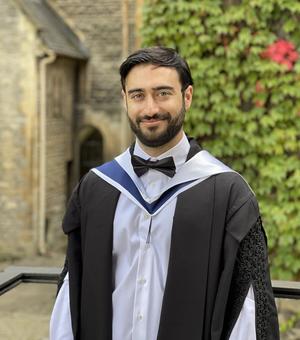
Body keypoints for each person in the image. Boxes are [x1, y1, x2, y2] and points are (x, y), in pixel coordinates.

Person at [50, 46, 279, 340]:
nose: (150, 109)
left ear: (187, 97)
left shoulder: (229, 195)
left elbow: (249, 307)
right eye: (138, 95)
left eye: (163, 93)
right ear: (125, 100)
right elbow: (71, 291)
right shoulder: (95, 189)